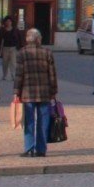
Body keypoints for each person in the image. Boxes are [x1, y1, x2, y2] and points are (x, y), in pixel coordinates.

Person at [13, 27, 57, 157]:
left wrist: (16, 91)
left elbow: (18, 75)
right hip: (44, 92)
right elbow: (52, 75)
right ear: (38, 39)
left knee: (29, 122)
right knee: (43, 121)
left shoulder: (22, 53)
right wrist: (54, 91)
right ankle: (41, 149)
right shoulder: (47, 52)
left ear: (28, 39)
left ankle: (29, 148)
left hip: (27, 92)